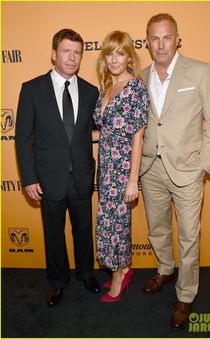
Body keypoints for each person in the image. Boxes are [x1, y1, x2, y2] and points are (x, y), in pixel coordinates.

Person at [140, 14, 210, 329]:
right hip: (151, 170)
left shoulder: (200, 72)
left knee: (189, 237)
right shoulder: (141, 75)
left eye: (166, 37)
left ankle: (186, 295)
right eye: (154, 38)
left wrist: (204, 164)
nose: (161, 44)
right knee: (157, 228)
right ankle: (164, 269)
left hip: (188, 170)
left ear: (177, 39)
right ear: (147, 42)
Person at [15, 28, 101, 308]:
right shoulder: (32, 89)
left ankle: (87, 273)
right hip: (47, 178)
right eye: (66, 51)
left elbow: (95, 130)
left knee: (83, 232)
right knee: (53, 234)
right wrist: (28, 178)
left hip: (81, 176)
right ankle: (57, 283)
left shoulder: (90, 91)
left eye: (77, 52)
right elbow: (23, 138)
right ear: (54, 54)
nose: (72, 57)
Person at [92, 31, 150, 302]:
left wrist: (132, 179)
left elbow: (137, 137)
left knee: (117, 226)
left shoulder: (135, 88)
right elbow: (104, 131)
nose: (114, 59)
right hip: (105, 170)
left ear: (129, 57)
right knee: (108, 224)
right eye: (110, 53)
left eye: (121, 53)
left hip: (123, 170)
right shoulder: (106, 87)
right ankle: (122, 268)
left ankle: (120, 274)